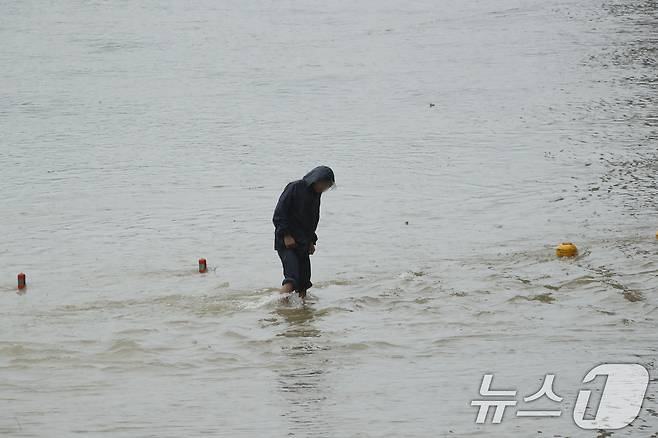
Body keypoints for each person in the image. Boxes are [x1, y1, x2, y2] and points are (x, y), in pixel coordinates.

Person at [272, 165, 335, 298]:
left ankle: (303, 311)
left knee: (304, 282)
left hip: (303, 243)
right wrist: (286, 235)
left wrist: (311, 241)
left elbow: (312, 220)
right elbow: (279, 213)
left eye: (328, 186)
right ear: (316, 179)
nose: (325, 189)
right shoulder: (295, 187)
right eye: (325, 184)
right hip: (286, 242)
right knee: (292, 279)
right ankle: (275, 306)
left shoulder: (316, 195)